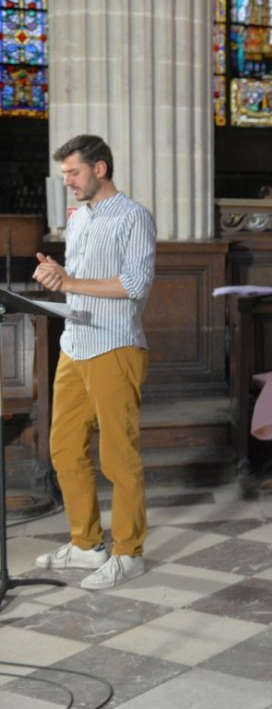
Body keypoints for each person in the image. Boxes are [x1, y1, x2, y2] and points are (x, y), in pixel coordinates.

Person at [32, 134, 156, 590]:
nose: (67, 181)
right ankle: (86, 545)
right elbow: (74, 281)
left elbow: (135, 284)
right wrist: (56, 277)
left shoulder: (133, 216)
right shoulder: (78, 219)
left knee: (118, 457)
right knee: (63, 447)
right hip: (75, 342)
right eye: (64, 173)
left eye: (74, 172)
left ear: (100, 168)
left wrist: (71, 280)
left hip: (115, 344)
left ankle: (129, 552)